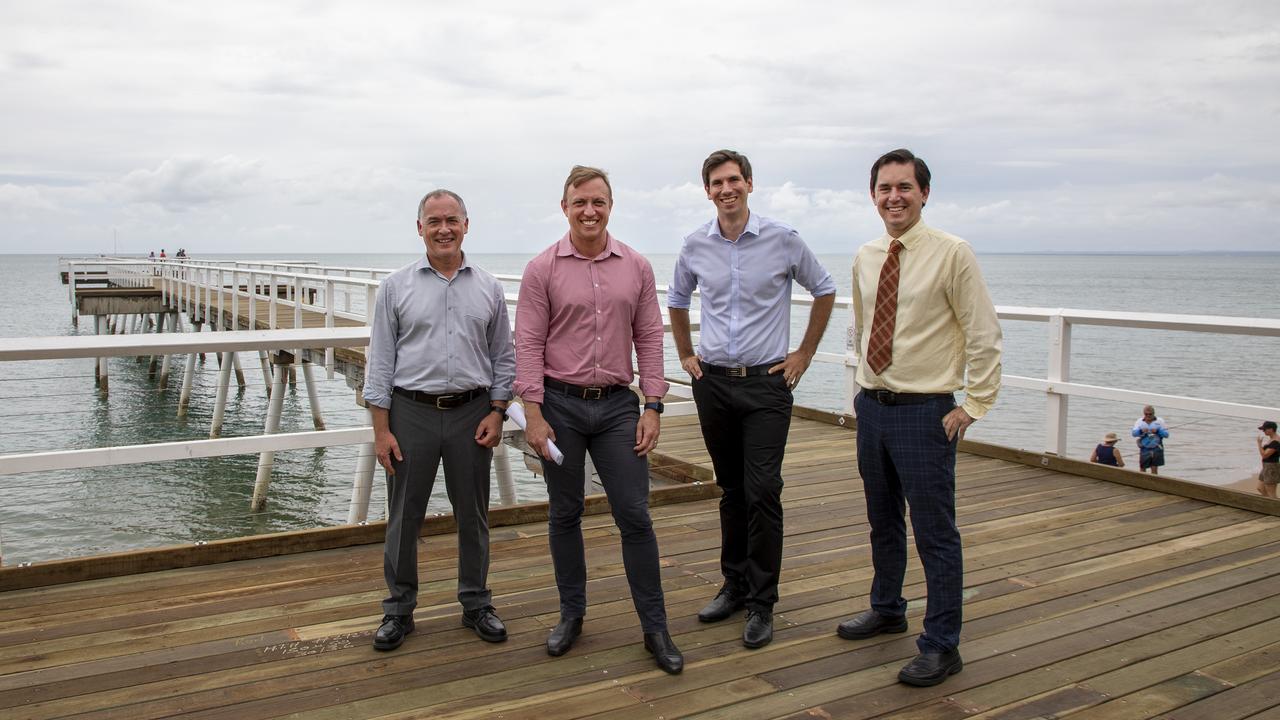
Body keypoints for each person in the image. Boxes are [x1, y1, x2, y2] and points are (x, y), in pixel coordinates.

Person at [837, 149, 1003, 687]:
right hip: (873, 406)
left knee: (934, 531)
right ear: (873, 196)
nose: (894, 197)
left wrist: (972, 406)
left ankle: (941, 643)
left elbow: (983, 334)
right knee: (881, 520)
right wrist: (859, 393)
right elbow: (862, 329)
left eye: (904, 187)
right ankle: (887, 608)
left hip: (925, 411)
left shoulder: (953, 254)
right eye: (885, 188)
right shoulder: (866, 255)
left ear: (924, 193)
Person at [514, 165, 683, 674]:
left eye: (599, 202)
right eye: (580, 202)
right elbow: (527, 343)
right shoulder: (541, 269)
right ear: (564, 207)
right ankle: (572, 615)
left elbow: (650, 336)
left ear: (611, 206)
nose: (590, 211)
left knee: (634, 515)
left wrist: (653, 404)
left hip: (615, 407)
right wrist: (533, 415)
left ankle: (655, 627)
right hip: (560, 406)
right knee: (565, 513)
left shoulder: (636, 266)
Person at [668, 149, 836, 649]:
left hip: (767, 384)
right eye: (717, 182)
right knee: (732, 490)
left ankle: (763, 603)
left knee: (763, 491)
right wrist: (685, 355)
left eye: (734, 180)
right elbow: (676, 300)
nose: (726, 189)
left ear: (749, 184)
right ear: (707, 190)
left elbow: (824, 289)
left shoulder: (783, 239)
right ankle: (734, 586)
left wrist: (803, 353)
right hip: (714, 383)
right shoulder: (695, 245)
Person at [362, 189, 516, 652]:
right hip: (411, 413)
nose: (444, 228)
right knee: (403, 517)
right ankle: (399, 610)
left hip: (473, 412)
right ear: (420, 228)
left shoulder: (488, 287)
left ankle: (476, 603)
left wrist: (497, 410)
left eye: (452, 220)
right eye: (434, 221)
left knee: (473, 515)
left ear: (467, 225)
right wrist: (381, 429)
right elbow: (381, 364)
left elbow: (503, 358)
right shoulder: (395, 287)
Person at [1132, 406, 1169, 475]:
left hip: (1157, 446)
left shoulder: (1160, 421)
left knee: (1154, 467)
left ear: (1154, 413)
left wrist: (1158, 431)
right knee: (1143, 466)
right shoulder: (1139, 421)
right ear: (1144, 413)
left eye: (1150, 414)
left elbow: (1166, 435)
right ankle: (1142, 481)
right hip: (1144, 447)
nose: (1148, 415)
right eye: (1146, 414)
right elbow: (1133, 434)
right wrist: (1140, 431)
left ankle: (1154, 482)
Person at [1257, 421, 1279, 498]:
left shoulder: (1276, 441)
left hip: (1271, 467)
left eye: (1264, 429)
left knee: (1271, 492)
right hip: (1266, 466)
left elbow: (1265, 455)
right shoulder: (1271, 439)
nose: (1263, 431)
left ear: (1271, 429)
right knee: (1260, 488)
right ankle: (1269, 505)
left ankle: (1275, 508)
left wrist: (1259, 444)